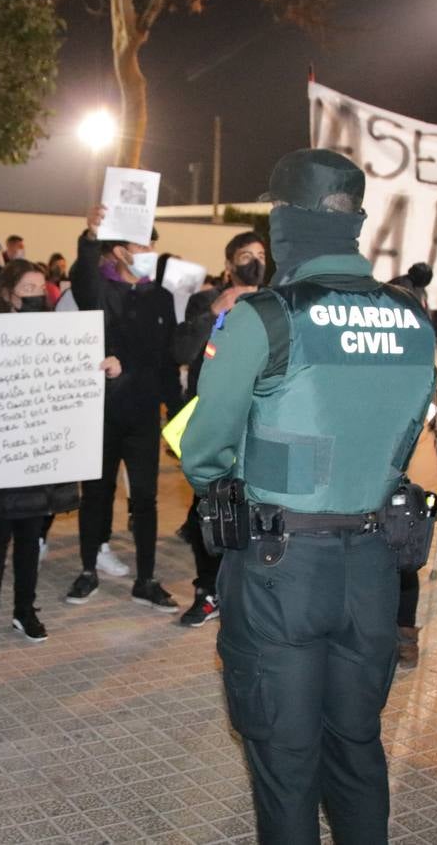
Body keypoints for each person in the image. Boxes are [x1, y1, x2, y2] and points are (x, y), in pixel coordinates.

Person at [182, 149, 437, 844]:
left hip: (279, 569)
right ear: (354, 221)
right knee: (355, 748)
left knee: (285, 758)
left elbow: (203, 450)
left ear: (286, 221)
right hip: (375, 566)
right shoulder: (414, 321)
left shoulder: (266, 318)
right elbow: (408, 433)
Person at [0, 260, 118, 644]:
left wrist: (104, 370)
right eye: (26, 288)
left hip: (38, 456)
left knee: (30, 539)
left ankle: (24, 611)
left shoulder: (58, 333)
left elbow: (77, 381)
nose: (34, 295)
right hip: (4, 452)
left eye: (39, 288)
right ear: (8, 292)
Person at [64, 211, 178, 612]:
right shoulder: (100, 292)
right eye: (142, 245)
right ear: (119, 252)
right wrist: (90, 234)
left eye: (152, 245)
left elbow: (166, 359)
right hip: (101, 413)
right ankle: (88, 570)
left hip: (144, 415)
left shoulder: (161, 297)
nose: (150, 252)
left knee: (145, 499)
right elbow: (82, 281)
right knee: (95, 494)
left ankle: (146, 578)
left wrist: (178, 418)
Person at [171, 230, 268, 627]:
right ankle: (207, 590)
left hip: (260, 420)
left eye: (261, 254)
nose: (255, 261)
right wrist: (215, 310)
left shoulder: (275, 303)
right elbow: (179, 352)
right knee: (207, 508)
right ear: (229, 264)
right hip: (212, 416)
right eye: (246, 255)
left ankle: (249, 592)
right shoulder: (205, 301)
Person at [392, 263, 437, 668]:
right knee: (390, 548)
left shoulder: (433, 348)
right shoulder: (390, 342)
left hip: (415, 458)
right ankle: (389, 633)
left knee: (405, 549)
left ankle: (403, 634)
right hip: (395, 460)